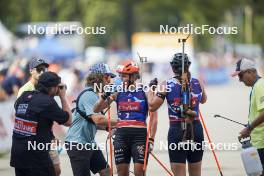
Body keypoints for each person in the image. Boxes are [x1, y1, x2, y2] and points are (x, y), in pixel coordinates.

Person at [94, 60, 158, 176]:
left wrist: (152, 139)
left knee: (140, 173)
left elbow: (154, 117)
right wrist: (104, 96)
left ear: (133, 77)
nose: (120, 78)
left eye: (123, 76)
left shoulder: (145, 91)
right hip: (121, 136)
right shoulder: (118, 91)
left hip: (140, 136)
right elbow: (96, 109)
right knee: (122, 173)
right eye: (120, 75)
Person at [147, 53, 207, 176]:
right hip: (196, 129)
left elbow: (152, 107)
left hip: (177, 130)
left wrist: (151, 89)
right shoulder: (197, 83)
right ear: (188, 66)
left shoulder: (166, 85)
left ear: (172, 67)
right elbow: (203, 100)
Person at [10, 71, 72, 176]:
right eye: (57, 87)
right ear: (53, 88)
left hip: (18, 155)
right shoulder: (48, 102)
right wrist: (62, 97)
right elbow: (68, 121)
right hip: (36, 158)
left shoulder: (24, 96)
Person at [65, 63, 118, 176]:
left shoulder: (93, 94)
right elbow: (97, 119)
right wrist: (122, 123)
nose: (109, 81)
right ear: (98, 77)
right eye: (107, 77)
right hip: (77, 144)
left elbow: (98, 112)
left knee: (107, 172)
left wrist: (113, 97)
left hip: (88, 142)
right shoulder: (89, 95)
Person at [16, 58, 62, 176]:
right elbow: (22, 117)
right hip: (33, 142)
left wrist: (51, 135)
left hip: (45, 137)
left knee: (57, 170)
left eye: (44, 69)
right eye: (39, 69)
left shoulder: (46, 87)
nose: (42, 72)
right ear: (31, 71)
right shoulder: (25, 90)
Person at [232, 58, 264, 174]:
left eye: (240, 76)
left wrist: (249, 128)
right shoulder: (257, 86)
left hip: (261, 142)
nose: (240, 80)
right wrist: (250, 126)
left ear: (250, 72)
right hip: (258, 141)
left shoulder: (260, 86)